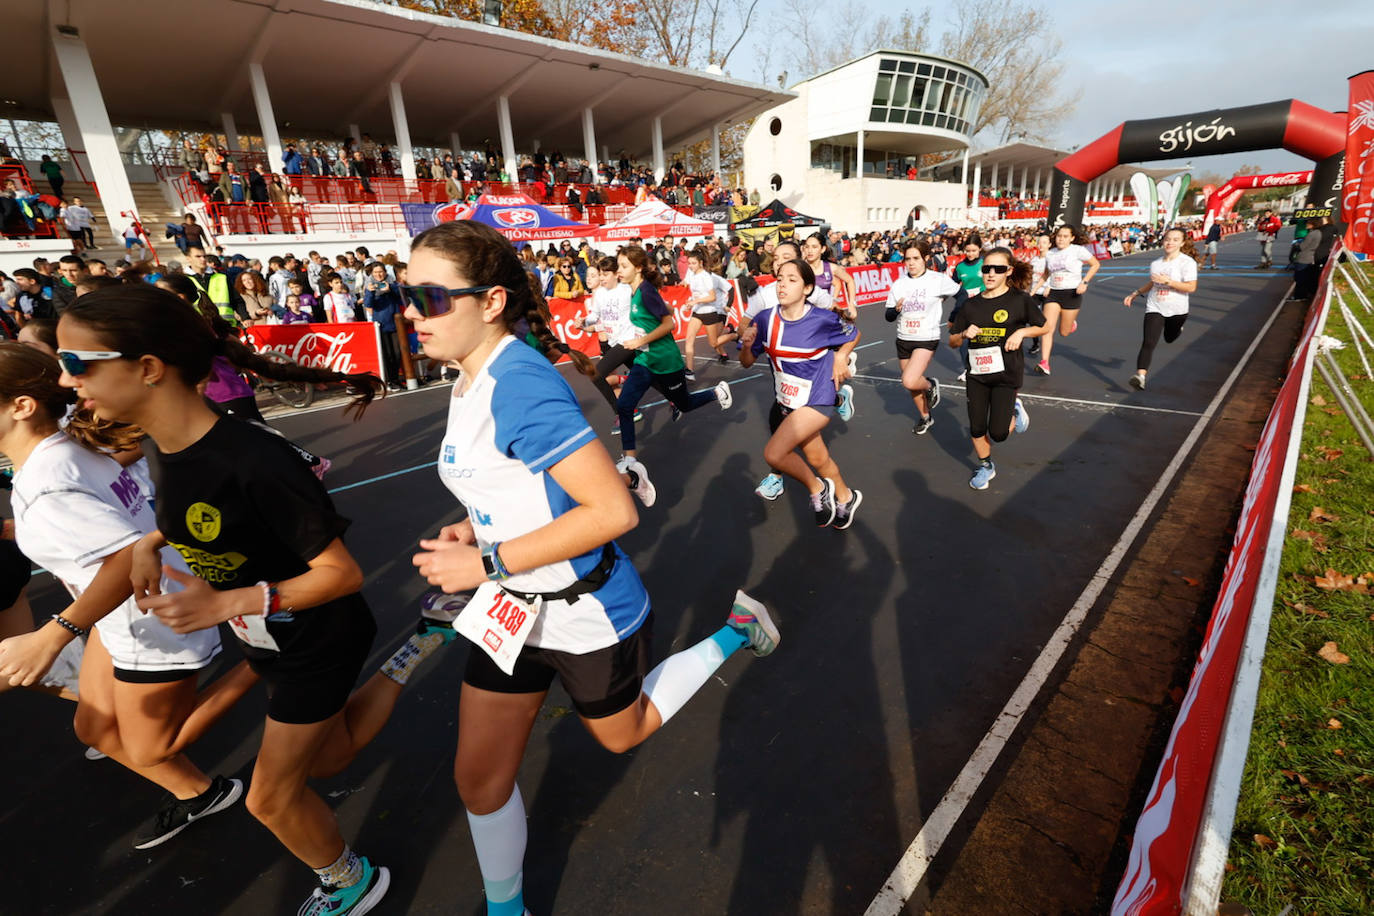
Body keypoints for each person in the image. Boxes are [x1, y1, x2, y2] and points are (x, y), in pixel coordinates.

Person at [401, 219, 780, 916]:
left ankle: (733, 630)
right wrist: (476, 522)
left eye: (429, 297)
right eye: (405, 295)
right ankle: (506, 909)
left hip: (584, 610)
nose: (410, 314)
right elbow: (512, 482)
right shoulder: (467, 376)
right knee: (480, 780)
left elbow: (613, 512)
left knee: (621, 733)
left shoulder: (518, 381)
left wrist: (484, 559)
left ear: (489, 302)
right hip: (510, 609)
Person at [61, 283, 464, 915]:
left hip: (316, 635)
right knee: (330, 754)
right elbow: (203, 510)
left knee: (270, 797)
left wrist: (226, 604)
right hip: (268, 634)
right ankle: (425, 640)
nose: (67, 381)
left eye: (77, 363)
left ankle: (348, 880)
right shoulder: (164, 446)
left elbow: (341, 574)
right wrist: (151, 541)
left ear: (146, 368)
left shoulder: (254, 457)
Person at [0, 343, 256, 848]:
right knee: (95, 729)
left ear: (22, 405)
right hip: (123, 617)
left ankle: (267, 661)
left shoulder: (50, 482)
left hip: (152, 623)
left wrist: (53, 636)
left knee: (147, 748)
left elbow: (123, 558)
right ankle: (201, 794)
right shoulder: (61, 454)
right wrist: (21, 528)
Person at [738, 259, 863, 527]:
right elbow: (747, 362)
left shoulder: (821, 319)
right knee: (818, 457)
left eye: (791, 279)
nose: (782, 284)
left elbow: (853, 333)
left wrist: (841, 357)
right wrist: (747, 345)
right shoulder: (765, 318)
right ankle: (845, 496)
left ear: (807, 288)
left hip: (818, 397)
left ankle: (818, 488)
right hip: (788, 402)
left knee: (774, 454)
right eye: (780, 278)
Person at [611, 246, 733, 503]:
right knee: (624, 406)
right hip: (645, 361)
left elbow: (670, 323)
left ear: (638, 268)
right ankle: (632, 462)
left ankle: (716, 392)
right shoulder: (636, 291)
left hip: (665, 361)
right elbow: (660, 309)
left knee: (684, 405)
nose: (618, 271)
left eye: (623, 266)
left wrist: (642, 338)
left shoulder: (644, 291)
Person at [949, 248, 1046, 490]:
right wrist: (963, 333)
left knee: (999, 434)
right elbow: (952, 340)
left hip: (1006, 374)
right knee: (977, 427)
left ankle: (1014, 409)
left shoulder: (1020, 300)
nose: (991, 274)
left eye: (998, 269)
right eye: (987, 269)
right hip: (977, 374)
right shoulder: (971, 305)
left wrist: (1022, 331)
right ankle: (985, 465)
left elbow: (1042, 327)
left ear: (1009, 271)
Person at [885, 239, 966, 435]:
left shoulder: (937, 280)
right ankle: (925, 417)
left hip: (926, 337)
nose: (911, 263)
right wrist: (896, 310)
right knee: (912, 386)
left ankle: (930, 385)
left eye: (916, 258)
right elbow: (888, 316)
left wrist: (954, 316)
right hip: (903, 337)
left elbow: (962, 294)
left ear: (926, 258)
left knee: (910, 380)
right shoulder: (899, 284)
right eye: (907, 259)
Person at [1123, 227, 1201, 390]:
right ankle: (1140, 376)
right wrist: (1136, 293)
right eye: (1167, 239)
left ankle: (1178, 329)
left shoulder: (1187, 263)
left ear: (1182, 242)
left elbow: (1191, 287)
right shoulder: (1155, 263)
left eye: (1175, 239)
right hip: (1155, 305)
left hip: (1177, 309)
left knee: (1170, 337)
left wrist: (1169, 282)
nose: (1170, 243)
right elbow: (1153, 282)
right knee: (1149, 342)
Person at [1031, 224, 1099, 376]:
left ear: (1072, 238)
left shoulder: (1077, 250)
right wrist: (1033, 291)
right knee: (1047, 328)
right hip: (1054, 293)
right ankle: (1044, 362)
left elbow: (1095, 264)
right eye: (1059, 236)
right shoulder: (1050, 253)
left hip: (1072, 293)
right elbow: (1046, 274)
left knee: (1064, 332)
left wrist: (1085, 282)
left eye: (1065, 236)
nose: (1061, 239)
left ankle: (1070, 322)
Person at [681, 247, 739, 377]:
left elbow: (712, 297)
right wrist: (690, 303)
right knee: (689, 339)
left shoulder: (706, 277)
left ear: (701, 263)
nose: (690, 266)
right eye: (689, 263)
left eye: (693, 263)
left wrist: (695, 302)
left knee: (713, 343)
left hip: (709, 312)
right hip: (697, 312)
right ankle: (689, 370)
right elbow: (696, 295)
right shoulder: (693, 275)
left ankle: (734, 335)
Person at [363, 263, 404, 387]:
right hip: (381, 324)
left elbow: (401, 298)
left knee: (398, 354)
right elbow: (368, 304)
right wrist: (370, 292)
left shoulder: (392, 284)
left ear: (385, 272)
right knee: (388, 355)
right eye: (375, 272)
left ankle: (396, 378)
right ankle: (390, 380)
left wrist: (390, 289)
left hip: (395, 323)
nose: (378, 275)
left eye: (380, 272)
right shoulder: (369, 286)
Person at [802, 233, 856, 319]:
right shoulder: (800, 268)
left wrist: (852, 305)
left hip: (826, 315)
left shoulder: (831, 267)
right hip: (806, 318)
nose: (810, 251)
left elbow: (850, 281)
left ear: (822, 249)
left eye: (814, 247)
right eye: (807, 247)